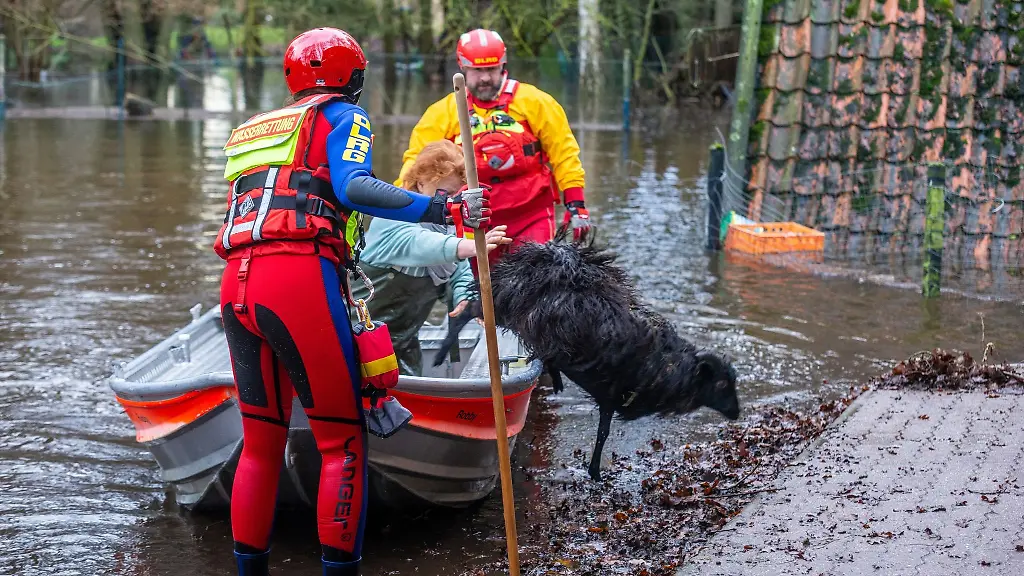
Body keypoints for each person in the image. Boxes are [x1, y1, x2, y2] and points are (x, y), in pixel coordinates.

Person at [214, 28, 489, 576]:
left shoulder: (253, 130)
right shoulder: (344, 116)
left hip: (237, 287)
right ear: (353, 78)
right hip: (297, 282)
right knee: (342, 444)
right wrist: (442, 211)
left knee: (260, 445)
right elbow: (353, 186)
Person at [395, 28, 592, 270]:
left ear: (503, 65)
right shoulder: (443, 112)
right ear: (463, 67)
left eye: (491, 69)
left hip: (531, 213)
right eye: (478, 71)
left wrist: (576, 205)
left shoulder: (536, 102)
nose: (485, 78)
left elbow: (565, 153)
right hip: (473, 220)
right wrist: (400, 207)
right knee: (478, 293)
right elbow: (416, 163)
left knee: (535, 283)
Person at [349, 140, 512, 376]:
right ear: (419, 182)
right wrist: (473, 245)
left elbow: (458, 269)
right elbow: (420, 244)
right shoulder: (391, 216)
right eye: (442, 192)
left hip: (404, 340)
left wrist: (464, 299)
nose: (448, 200)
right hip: (360, 338)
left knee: (404, 385)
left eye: (454, 193)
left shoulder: (446, 225)